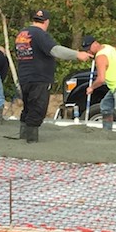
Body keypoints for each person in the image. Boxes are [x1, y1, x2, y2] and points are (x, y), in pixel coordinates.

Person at [13, 10, 88, 143]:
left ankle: (22, 136)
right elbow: (55, 50)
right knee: (38, 108)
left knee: (28, 107)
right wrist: (77, 54)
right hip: (39, 77)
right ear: (47, 21)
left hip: (24, 77)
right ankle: (31, 140)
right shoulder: (40, 34)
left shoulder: (22, 34)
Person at [84, 36, 116, 132]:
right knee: (105, 106)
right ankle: (107, 130)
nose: (88, 52)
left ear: (95, 44)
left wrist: (91, 87)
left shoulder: (100, 57)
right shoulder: (107, 47)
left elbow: (101, 79)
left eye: (89, 49)